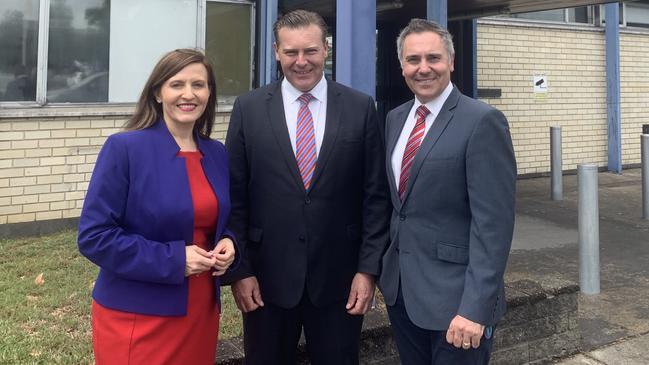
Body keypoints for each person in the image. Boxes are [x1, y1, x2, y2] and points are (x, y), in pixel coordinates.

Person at [222, 9, 390, 365]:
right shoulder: (248, 109)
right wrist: (241, 271)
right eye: (291, 52)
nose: (301, 62)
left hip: (340, 282)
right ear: (276, 51)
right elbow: (234, 198)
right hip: (265, 282)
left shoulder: (360, 108)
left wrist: (368, 270)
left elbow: (375, 197)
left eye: (310, 51)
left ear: (325, 49)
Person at [77, 48, 238, 364]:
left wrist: (230, 243)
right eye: (177, 84)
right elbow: (94, 237)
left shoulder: (216, 153)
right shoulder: (124, 148)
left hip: (201, 310)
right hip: (138, 315)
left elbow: (216, 220)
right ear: (158, 92)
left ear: (209, 94)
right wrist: (174, 259)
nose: (188, 94)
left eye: (199, 85)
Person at [378, 19, 517, 364]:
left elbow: (493, 227)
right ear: (401, 66)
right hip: (404, 297)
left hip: (457, 306)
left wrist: (475, 308)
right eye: (413, 60)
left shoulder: (483, 121)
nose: (423, 68)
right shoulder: (396, 119)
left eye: (433, 58)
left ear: (451, 62)